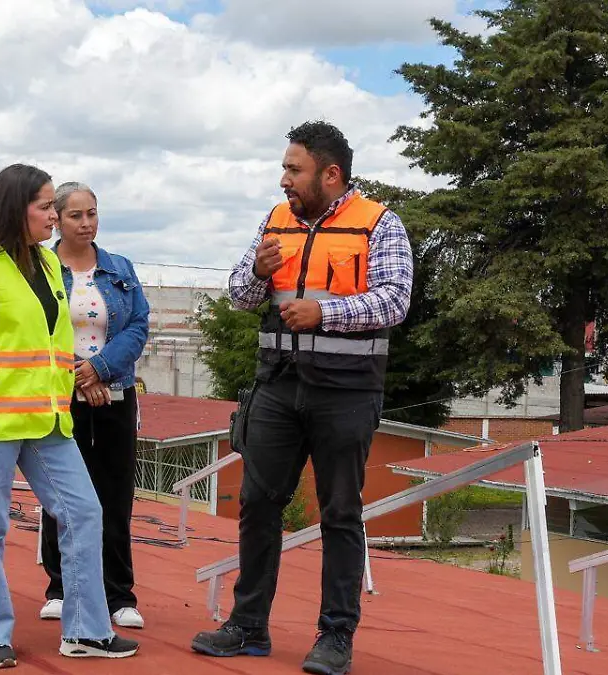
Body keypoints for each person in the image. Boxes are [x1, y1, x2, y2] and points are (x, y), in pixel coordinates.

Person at [190, 121, 414, 675]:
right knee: (258, 503)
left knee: (341, 512)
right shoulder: (275, 221)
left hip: (346, 391)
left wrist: (327, 313)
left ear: (330, 174)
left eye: (294, 169)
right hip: (278, 385)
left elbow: (394, 301)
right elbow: (241, 294)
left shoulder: (380, 225)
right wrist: (258, 273)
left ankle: (336, 635)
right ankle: (248, 626)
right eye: (284, 169)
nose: (284, 179)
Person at [0, 164, 140, 669]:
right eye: (46, 206)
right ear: (15, 208)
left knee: (84, 513)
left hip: (48, 421)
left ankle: (87, 631)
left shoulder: (46, 266)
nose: (54, 216)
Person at [37, 181, 150, 629]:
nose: (86, 224)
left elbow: (138, 325)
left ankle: (118, 594)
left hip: (115, 395)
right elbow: (38, 332)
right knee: (60, 496)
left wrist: (100, 368)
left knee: (114, 495)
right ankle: (60, 588)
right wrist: (78, 376)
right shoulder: (41, 267)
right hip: (61, 398)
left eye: (92, 214)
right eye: (76, 216)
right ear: (57, 220)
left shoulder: (119, 267)